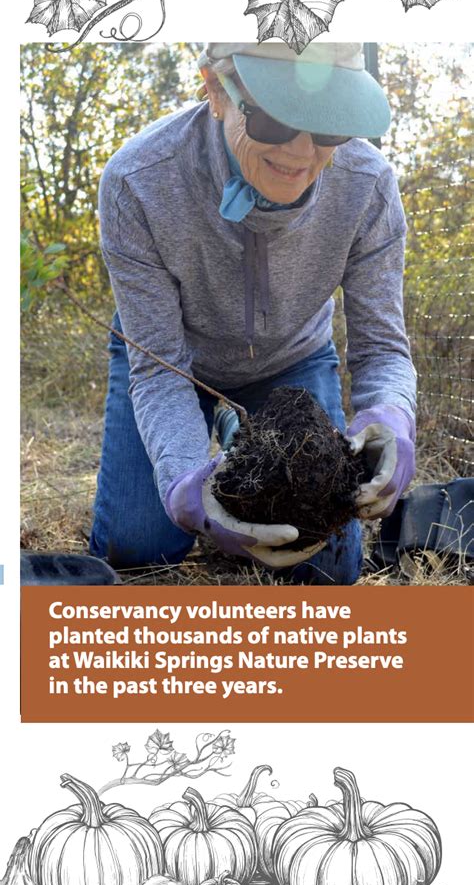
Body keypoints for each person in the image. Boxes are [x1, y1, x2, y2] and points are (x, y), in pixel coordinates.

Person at [89, 41, 416, 584]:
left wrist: (390, 416)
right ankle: (218, 423)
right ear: (216, 91)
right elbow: (155, 365)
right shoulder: (138, 182)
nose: (300, 152)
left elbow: (382, 349)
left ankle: (234, 425)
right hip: (172, 363)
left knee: (327, 565)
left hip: (293, 360)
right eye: (271, 118)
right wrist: (187, 485)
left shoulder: (368, 185)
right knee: (139, 548)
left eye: (329, 126)